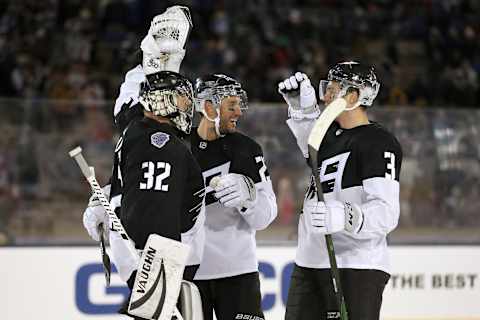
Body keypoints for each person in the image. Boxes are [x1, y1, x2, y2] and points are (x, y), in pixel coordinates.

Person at [278, 62, 402, 320]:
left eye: (333, 90)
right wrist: (302, 111)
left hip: (356, 266)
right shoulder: (329, 137)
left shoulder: (378, 142)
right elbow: (311, 147)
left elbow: (387, 213)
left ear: (353, 96)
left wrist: (345, 216)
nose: (325, 97)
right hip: (310, 262)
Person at [191, 74, 277, 320]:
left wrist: (249, 198)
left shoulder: (247, 150)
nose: (239, 112)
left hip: (239, 273)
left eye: (239, 105)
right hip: (190, 274)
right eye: (231, 106)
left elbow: (265, 216)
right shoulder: (179, 148)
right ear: (208, 107)